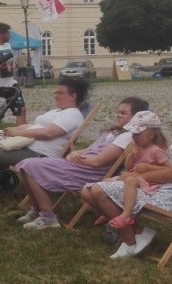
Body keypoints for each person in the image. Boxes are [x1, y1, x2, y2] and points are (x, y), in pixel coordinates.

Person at [80, 96, 172, 259]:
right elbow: (165, 165)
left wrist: (135, 175)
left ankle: (129, 242)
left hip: (171, 195)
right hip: (156, 186)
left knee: (98, 190)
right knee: (86, 191)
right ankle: (139, 231)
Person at [16, 97, 150, 229]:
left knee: (30, 165)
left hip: (88, 173)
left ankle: (47, 217)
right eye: (118, 112)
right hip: (78, 166)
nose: (118, 115)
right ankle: (37, 209)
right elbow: (87, 150)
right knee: (27, 165)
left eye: (123, 113)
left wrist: (75, 158)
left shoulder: (127, 137)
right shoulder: (113, 132)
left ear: (135, 117)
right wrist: (73, 154)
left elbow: (97, 162)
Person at [0, 77, 90, 205]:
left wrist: (19, 132)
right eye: (56, 92)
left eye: (60, 93)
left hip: (41, 153)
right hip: (29, 146)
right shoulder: (57, 111)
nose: (55, 95)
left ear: (73, 96)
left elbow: (49, 133)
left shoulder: (72, 114)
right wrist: (15, 127)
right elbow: (33, 126)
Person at [102, 110, 170, 230]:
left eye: (137, 134)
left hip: (147, 181)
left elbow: (168, 169)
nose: (134, 137)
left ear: (151, 135)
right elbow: (128, 167)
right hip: (132, 175)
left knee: (130, 181)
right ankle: (110, 211)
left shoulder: (156, 150)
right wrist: (131, 156)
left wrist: (149, 167)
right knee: (106, 182)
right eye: (133, 134)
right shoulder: (138, 148)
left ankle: (126, 215)